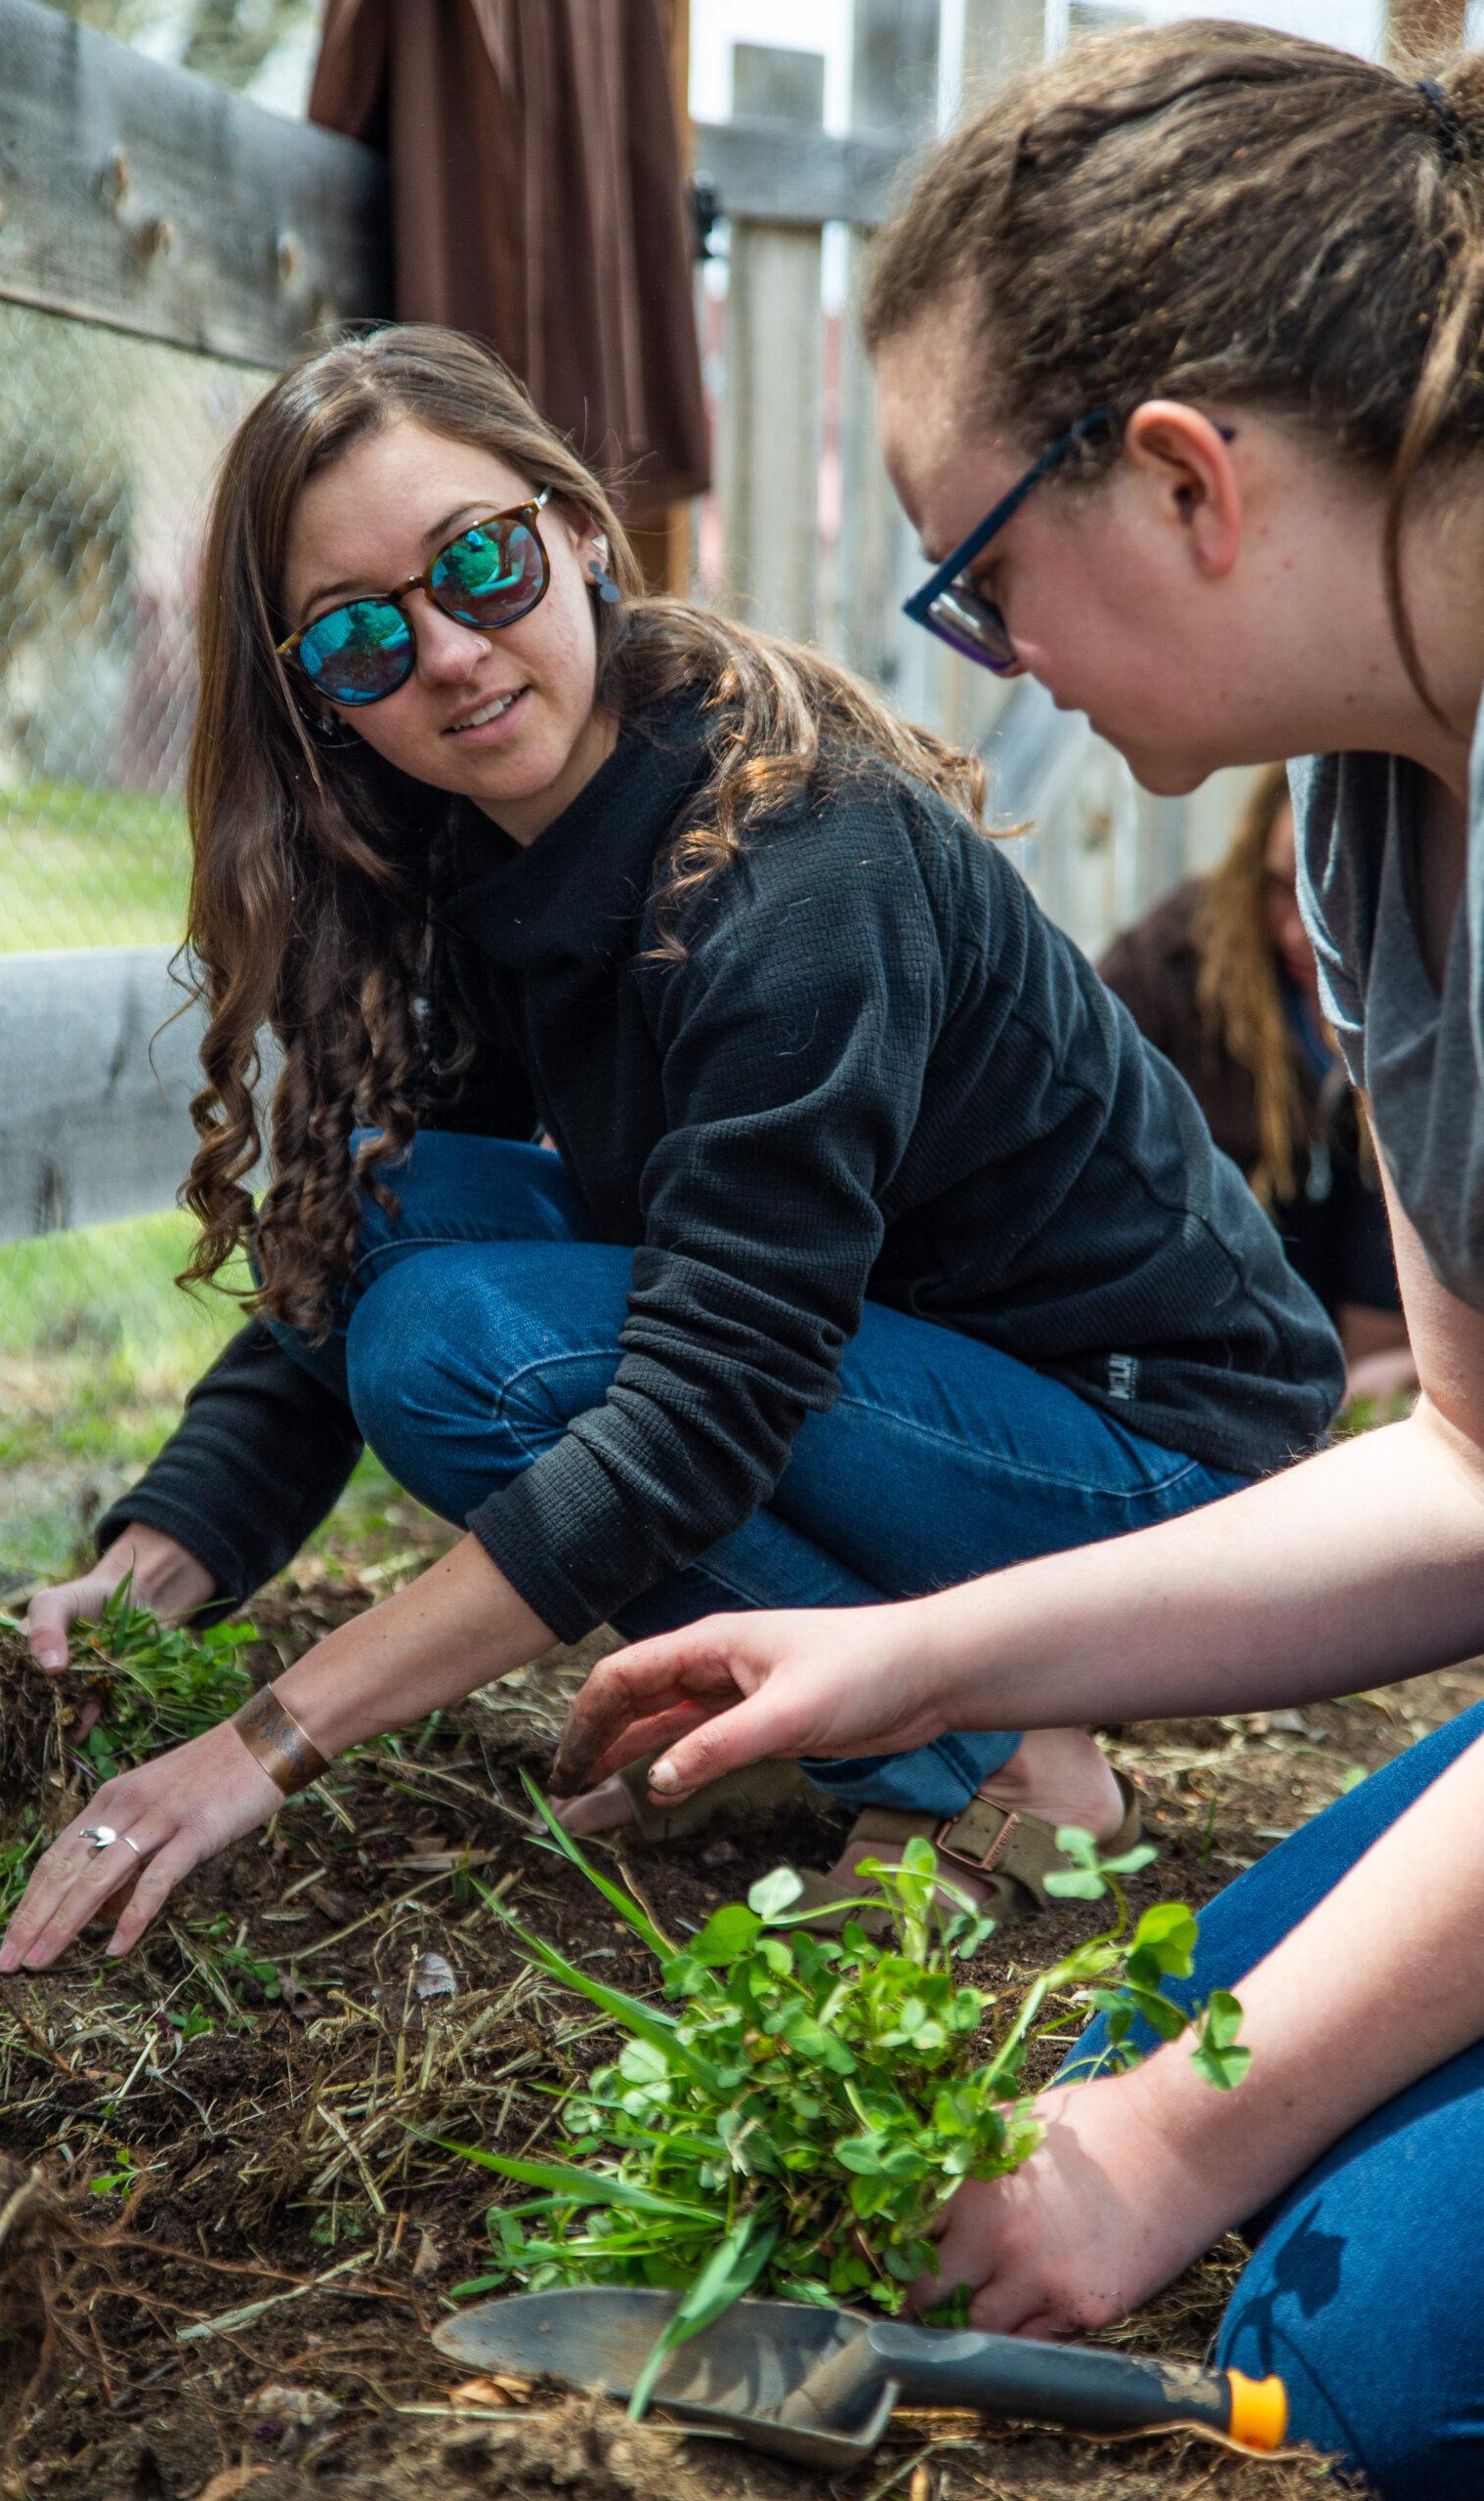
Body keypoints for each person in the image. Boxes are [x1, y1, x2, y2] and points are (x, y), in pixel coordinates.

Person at [551, 29, 1484, 2498]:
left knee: (1349, 2331)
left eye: (972, 574)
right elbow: (1468, 1472)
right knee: (1193, 2013)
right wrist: (920, 1649)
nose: (985, 654)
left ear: (1179, 476)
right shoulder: (1380, 830)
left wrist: (1158, 2152)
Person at [0, 322, 1337, 1975]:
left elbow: (707, 1406)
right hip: (922, 1384)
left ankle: (993, 1762)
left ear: (572, 529)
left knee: (459, 1352)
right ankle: (897, 1717)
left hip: (1168, 1483)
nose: (447, 654)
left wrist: (257, 1748)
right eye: (356, 639)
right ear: (318, 700)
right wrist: (159, 1559)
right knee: (408, 1216)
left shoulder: (796, 856)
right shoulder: (480, 854)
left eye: (476, 563)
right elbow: (355, 1239)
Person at [1100, 765, 1416, 1405]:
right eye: (1279, 889)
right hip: (1197, 1351)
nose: (1300, 930)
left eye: (1329, 895)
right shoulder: (1180, 965)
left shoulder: (1432, 998)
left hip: (1361, 1360)